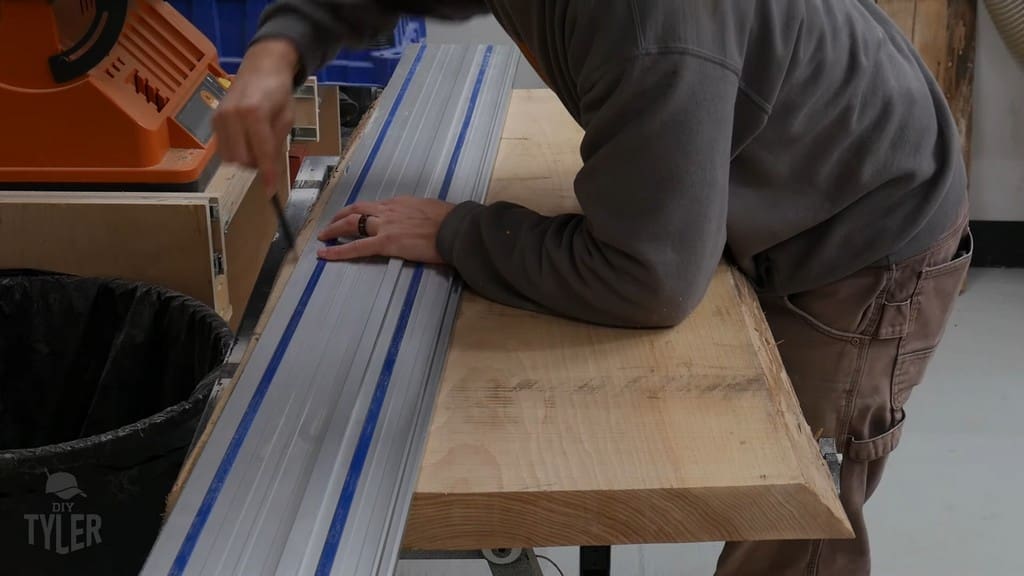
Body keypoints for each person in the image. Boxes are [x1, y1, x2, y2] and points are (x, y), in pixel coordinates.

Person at [213, 1, 973, 574]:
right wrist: (281, 45)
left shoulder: (651, 19)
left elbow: (648, 277)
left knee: (794, 511)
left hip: (866, 234)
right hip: (765, 164)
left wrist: (456, 233)